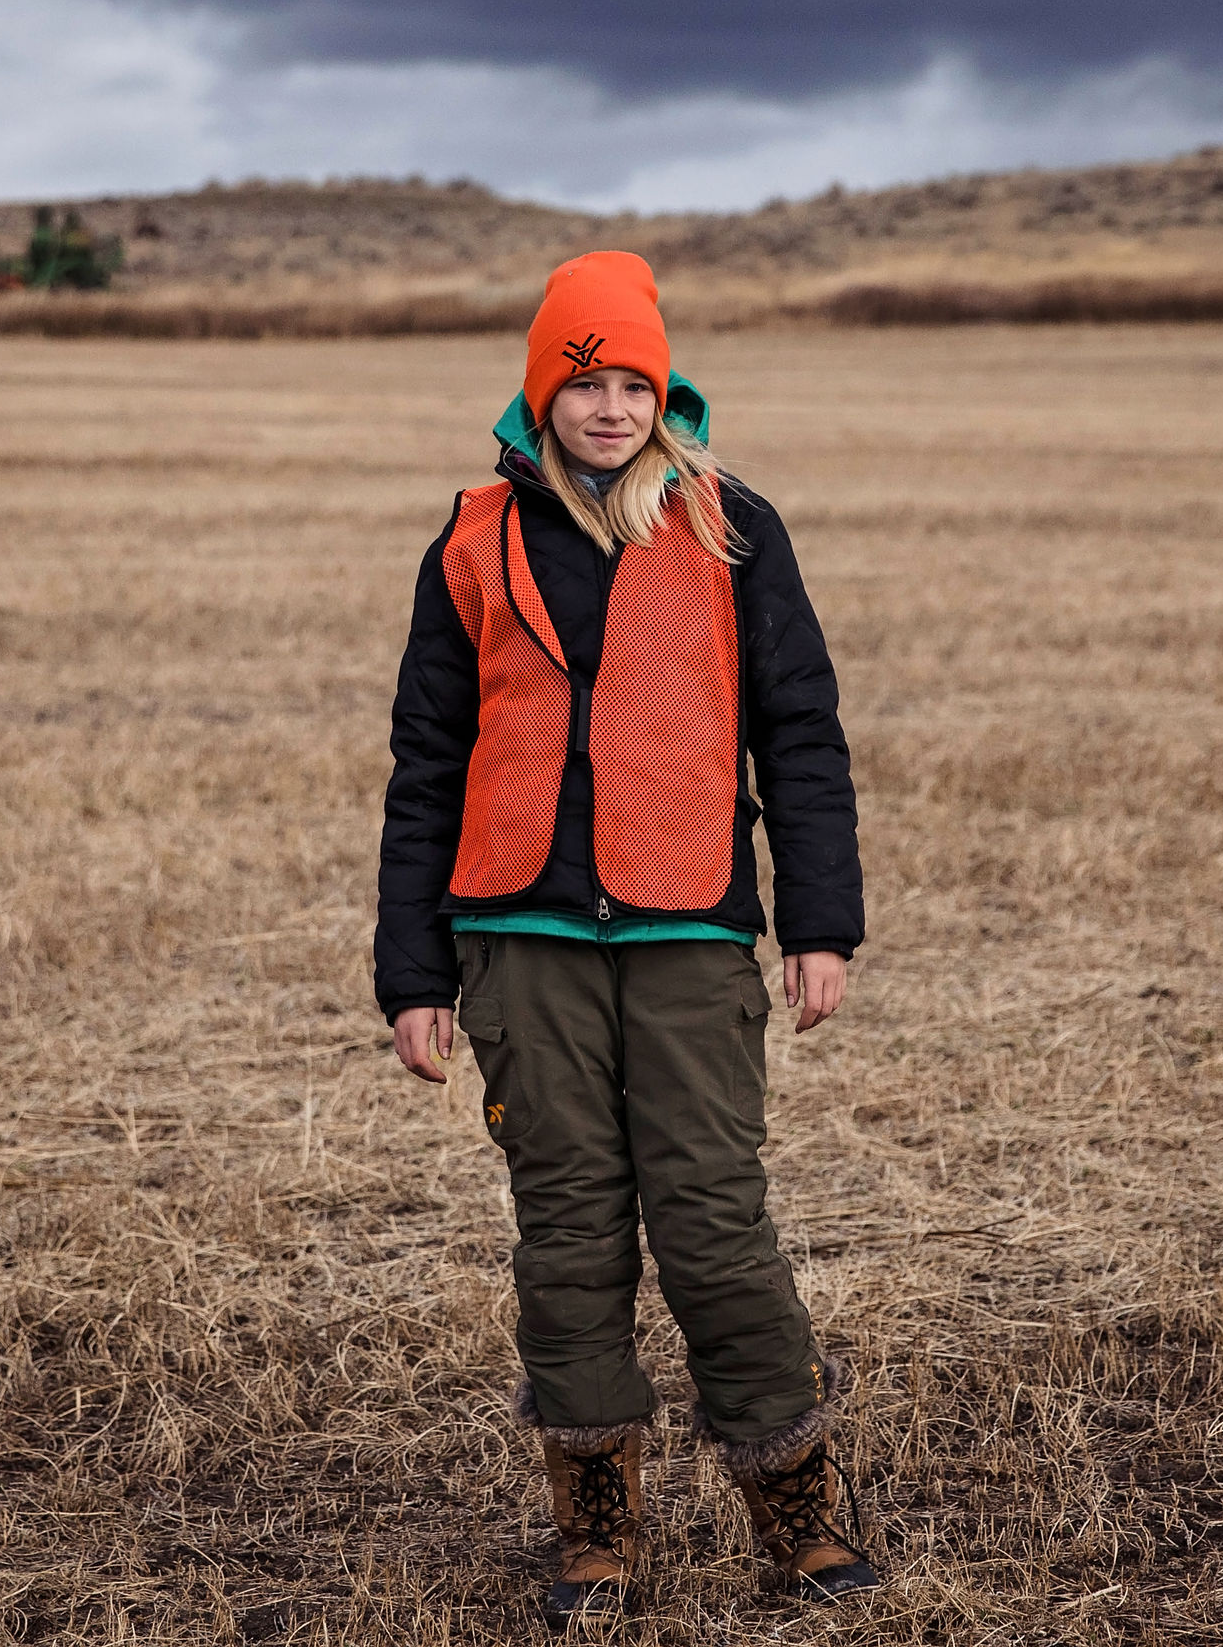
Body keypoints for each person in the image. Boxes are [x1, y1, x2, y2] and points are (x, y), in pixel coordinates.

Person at [374, 250, 882, 1626]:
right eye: (585, 381)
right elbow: (428, 760)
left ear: (665, 391)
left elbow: (802, 735)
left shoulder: (731, 528)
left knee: (715, 1225)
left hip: (689, 931)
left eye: (633, 383)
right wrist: (413, 972)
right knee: (570, 1237)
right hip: (517, 937)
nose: (609, 408)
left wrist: (819, 922)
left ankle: (798, 1509)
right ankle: (594, 1522)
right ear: (545, 387)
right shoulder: (475, 537)